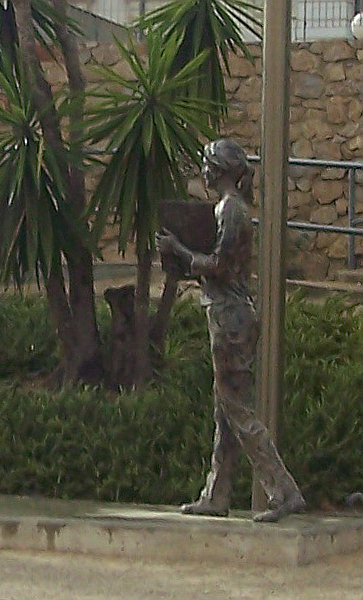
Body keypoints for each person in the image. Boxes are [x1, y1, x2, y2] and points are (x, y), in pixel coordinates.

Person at [155, 138, 306, 523]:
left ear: (218, 169)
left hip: (231, 317)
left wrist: (179, 251)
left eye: (206, 165)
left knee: (236, 409)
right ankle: (216, 495)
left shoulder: (231, 211)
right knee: (225, 410)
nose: (201, 172)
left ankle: (284, 491)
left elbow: (219, 265)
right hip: (227, 314)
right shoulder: (230, 208)